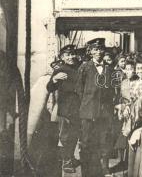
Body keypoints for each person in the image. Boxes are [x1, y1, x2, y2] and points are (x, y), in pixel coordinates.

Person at [76, 39, 115, 177]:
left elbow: (111, 91)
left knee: (104, 140)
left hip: (104, 113)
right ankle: (86, 170)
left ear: (103, 51)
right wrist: (87, 106)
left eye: (100, 49)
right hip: (88, 112)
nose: (98, 52)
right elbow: (79, 90)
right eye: (95, 49)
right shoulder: (84, 67)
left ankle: (105, 168)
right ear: (90, 51)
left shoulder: (109, 69)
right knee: (86, 141)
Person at [46, 45, 81, 173]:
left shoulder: (79, 67)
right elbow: (49, 88)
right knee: (66, 136)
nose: (71, 57)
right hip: (66, 109)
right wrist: (55, 79)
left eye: (72, 54)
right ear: (62, 57)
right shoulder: (60, 70)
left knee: (74, 135)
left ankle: (70, 157)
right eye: (67, 55)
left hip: (78, 108)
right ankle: (66, 162)